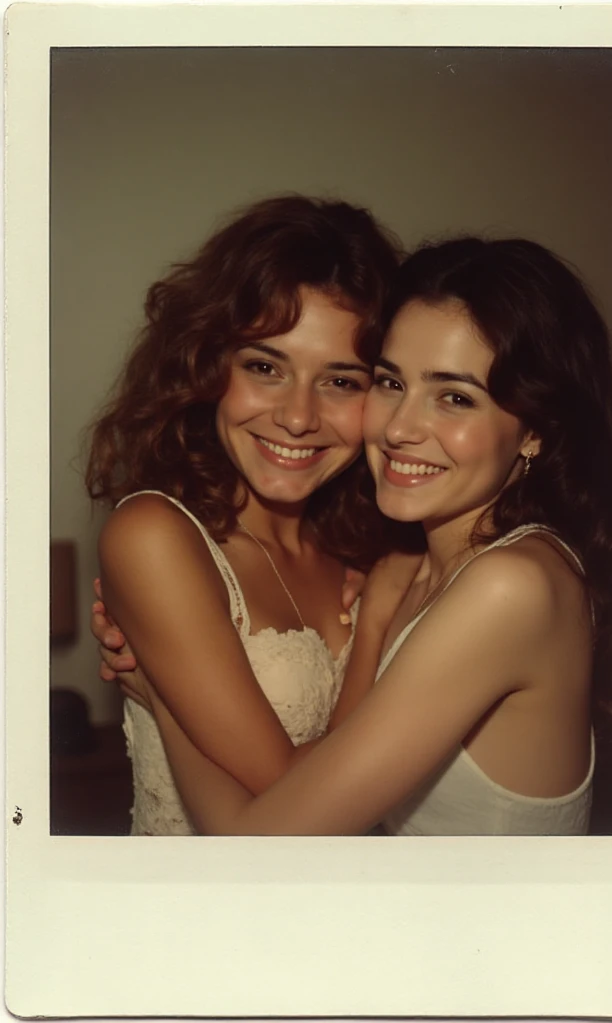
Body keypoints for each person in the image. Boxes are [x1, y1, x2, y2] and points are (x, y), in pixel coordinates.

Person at [94, 235, 612, 836]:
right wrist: (378, 610)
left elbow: (268, 835)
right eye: (391, 383)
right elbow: (339, 782)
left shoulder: (509, 586)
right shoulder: (408, 564)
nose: (401, 428)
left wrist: (162, 696)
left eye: (455, 397)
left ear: (536, 431)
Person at [85, 193, 422, 835]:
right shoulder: (156, 536)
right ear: (207, 365)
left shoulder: (376, 546)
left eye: (341, 381)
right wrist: (377, 616)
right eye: (265, 367)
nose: (297, 417)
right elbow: (306, 806)